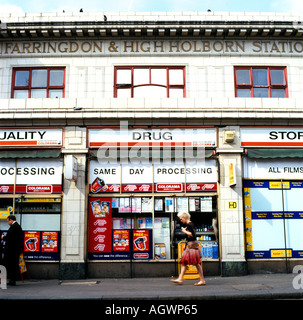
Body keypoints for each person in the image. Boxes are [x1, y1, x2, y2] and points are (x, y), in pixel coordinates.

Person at [171, 211, 206, 286]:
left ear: (185, 217)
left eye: (181, 219)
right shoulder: (190, 224)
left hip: (192, 247)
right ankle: (180, 279)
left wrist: (184, 231)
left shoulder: (190, 224)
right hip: (191, 246)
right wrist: (186, 243)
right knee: (185, 263)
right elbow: (190, 236)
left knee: (196, 263)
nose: (181, 220)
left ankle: (202, 280)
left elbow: (192, 235)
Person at [1, 215, 23, 286]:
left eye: (8, 221)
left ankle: (12, 280)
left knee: (11, 265)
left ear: (11, 220)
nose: (8, 223)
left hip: (12, 250)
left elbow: (10, 238)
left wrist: (3, 237)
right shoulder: (17, 226)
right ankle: (11, 280)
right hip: (14, 250)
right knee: (12, 265)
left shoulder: (14, 227)